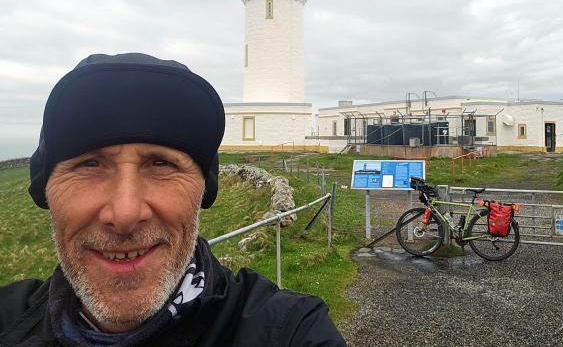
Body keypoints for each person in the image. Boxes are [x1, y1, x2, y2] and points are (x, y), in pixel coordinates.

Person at [0, 53, 346, 346]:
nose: (125, 213)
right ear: (44, 189)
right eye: (89, 163)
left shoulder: (289, 331)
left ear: (203, 189)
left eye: (161, 164)